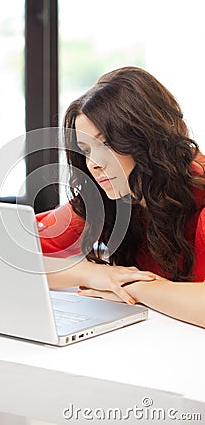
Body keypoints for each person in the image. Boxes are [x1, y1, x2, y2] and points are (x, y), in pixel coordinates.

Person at [36, 66, 205, 328]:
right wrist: (94, 274)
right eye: (86, 150)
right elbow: (6, 256)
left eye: (107, 143)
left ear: (149, 139)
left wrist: (133, 288)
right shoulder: (110, 198)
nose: (93, 164)